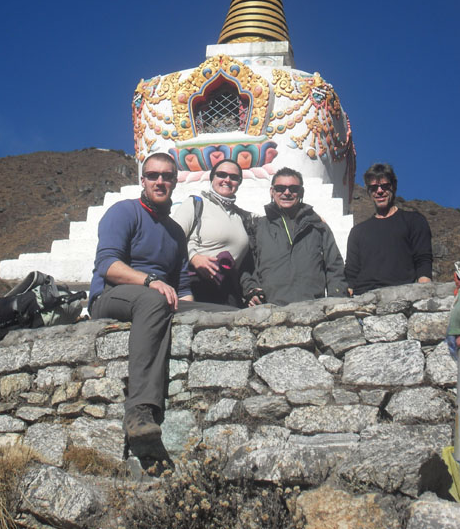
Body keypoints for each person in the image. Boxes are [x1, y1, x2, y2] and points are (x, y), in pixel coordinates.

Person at [88, 152, 233, 446]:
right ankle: (140, 411)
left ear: (175, 180)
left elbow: (181, 287)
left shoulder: (175, 232)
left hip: (158, 297)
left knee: (225, 314)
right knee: (152, 300)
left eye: (167, 176)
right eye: (153, 175)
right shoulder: (124, 212)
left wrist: (192, 312)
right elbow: (108, 265)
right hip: (112, 296)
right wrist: (150, 282)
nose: (160, 181)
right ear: (142, 180)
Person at [241, 167, 348, 305]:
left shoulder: (318, 227)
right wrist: (251, 289)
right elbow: (247, 266)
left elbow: (335, 267)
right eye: (280, 188)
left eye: (293, 189)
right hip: (267, 310)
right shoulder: (258, 227)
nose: (287, 193)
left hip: (312, 310)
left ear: (301, 192)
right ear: (272, 192)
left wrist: (337, 301)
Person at [345, 162, 432, 295]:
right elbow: (351, 273)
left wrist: (424, 294)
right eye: (374, 187)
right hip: (363, 299)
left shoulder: (414, 221)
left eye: (385, 186)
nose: (379, 191)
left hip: (401, 296)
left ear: (394, 187)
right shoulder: (357, 232)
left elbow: (423, 261)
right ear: (368, 191)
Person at [173, 159, 250, 308]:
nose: (227, 180)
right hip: (197, 286)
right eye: (221, 174)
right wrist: (194, 257)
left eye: (234, 177)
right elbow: (172, 238)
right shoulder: (195, 204)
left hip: (229, 291)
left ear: (239, 182)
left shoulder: (241, 217)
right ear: (212, 178)